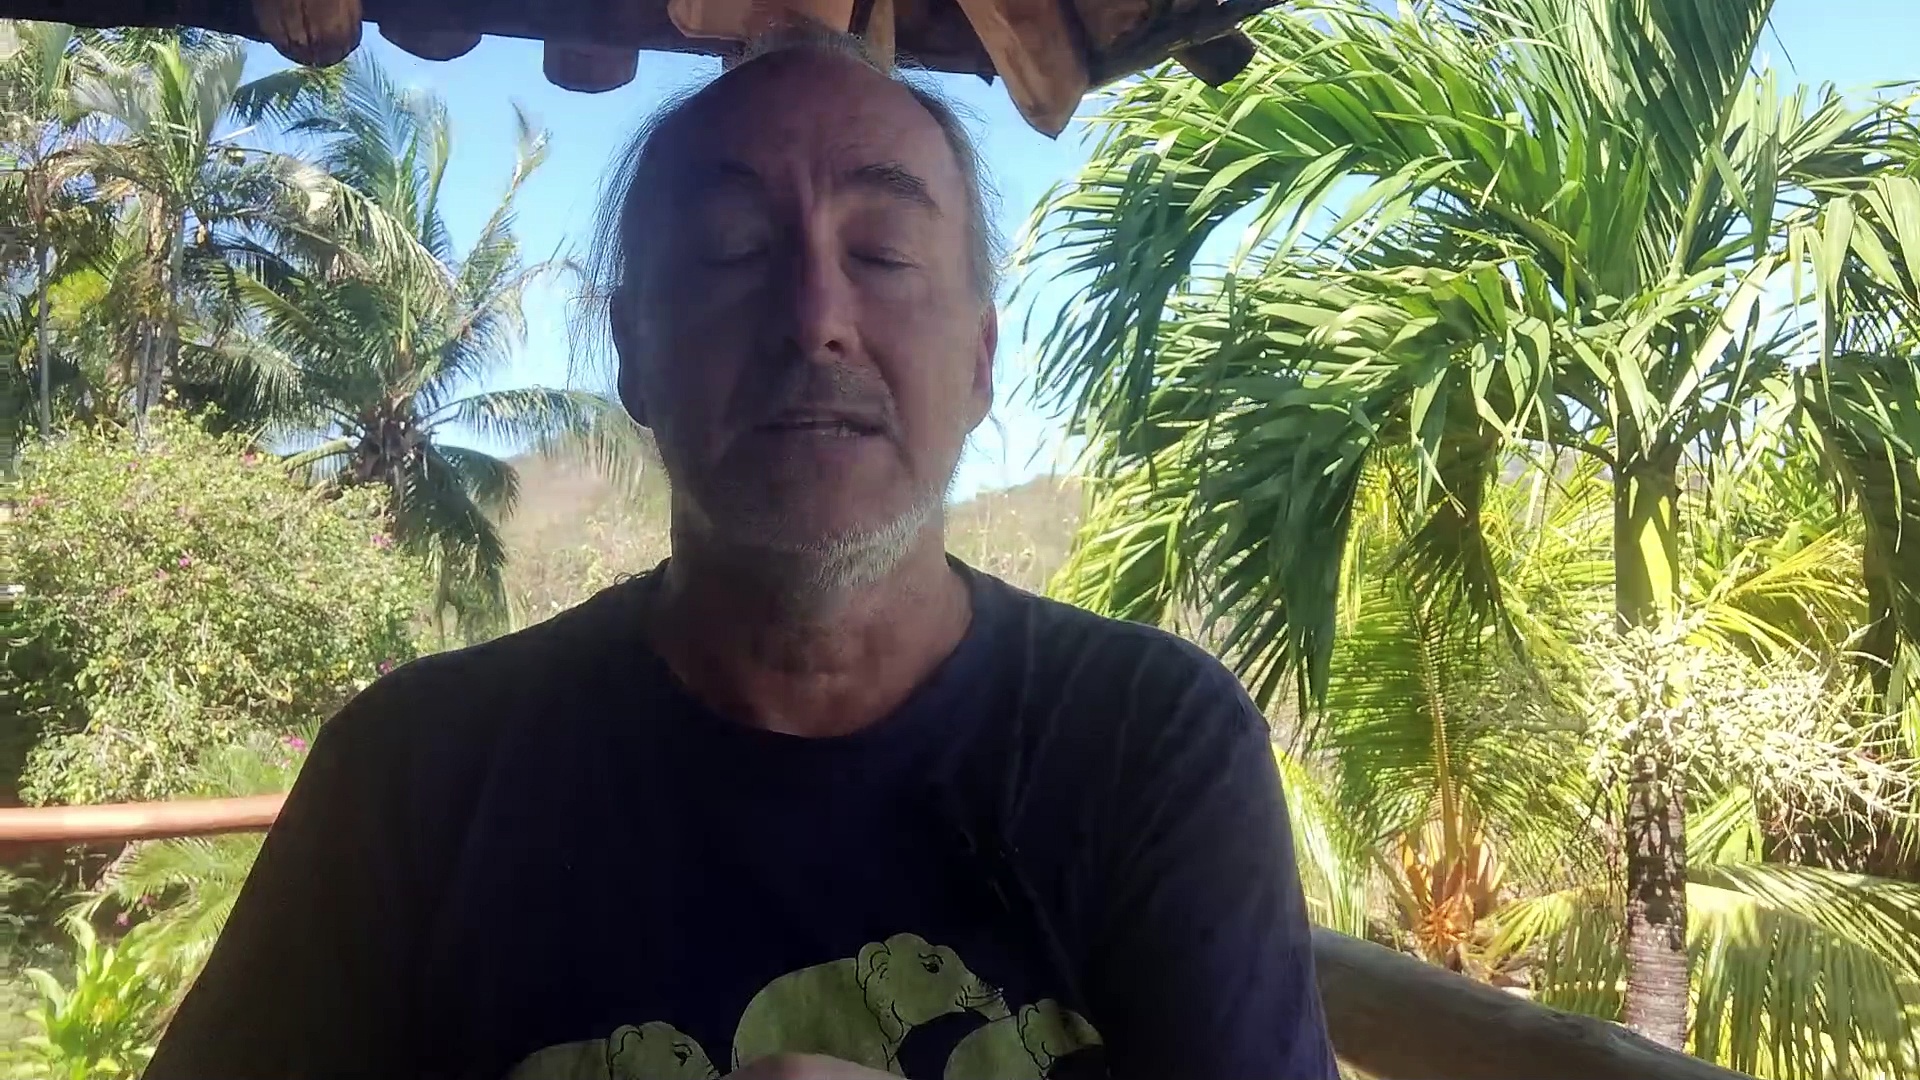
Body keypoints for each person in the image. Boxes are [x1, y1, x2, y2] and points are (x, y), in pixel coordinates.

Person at [146, 27, 1337, 1080]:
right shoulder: (411, 774)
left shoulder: (1149, 742)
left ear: (981, 361)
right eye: (729, 250)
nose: (814, 316)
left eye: (883, 254)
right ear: (633, 353)